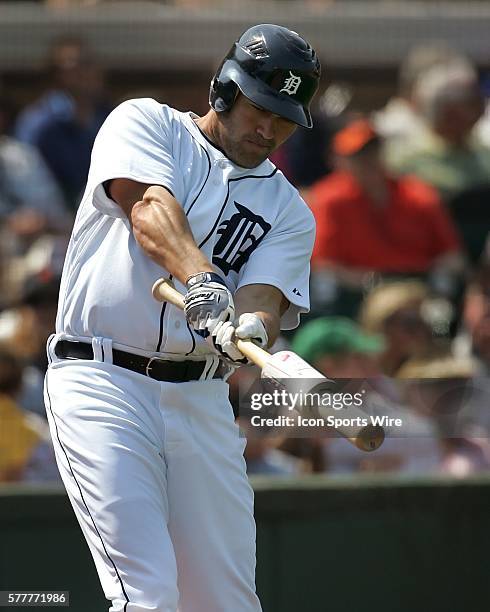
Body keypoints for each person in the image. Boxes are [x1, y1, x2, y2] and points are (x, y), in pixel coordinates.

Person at [43, 24, 320, 612]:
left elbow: (265, 299)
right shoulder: (146, 122)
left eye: (285, 118)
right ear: (223, 91)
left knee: (227, 602)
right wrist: (201, 279)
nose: (269, 128)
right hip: (104, 380)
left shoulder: (290, 210)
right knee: (148, 594)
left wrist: (249, 328)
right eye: (260, 108)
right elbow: (147, 208)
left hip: (200, 398)